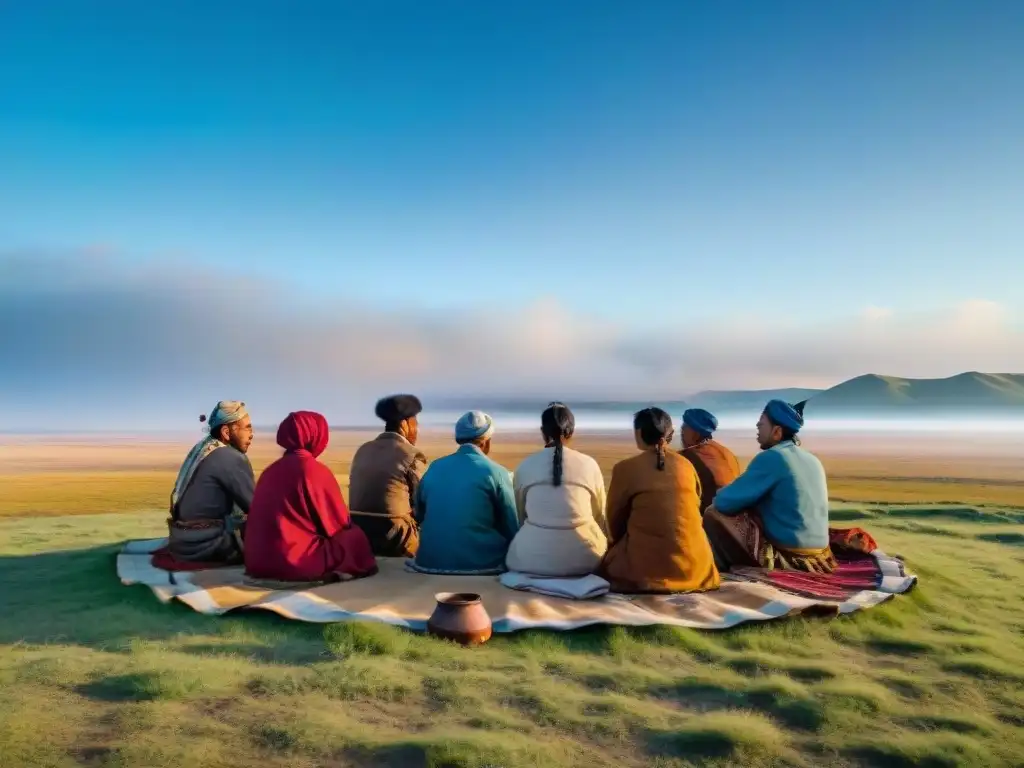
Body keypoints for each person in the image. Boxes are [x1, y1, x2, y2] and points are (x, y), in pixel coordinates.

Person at [703, 399, 835, 573]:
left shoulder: (773, 458)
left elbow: (724, 502)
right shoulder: (813, 459)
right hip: (821, 553)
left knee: (713, 513)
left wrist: (722, 493)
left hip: (790, 555)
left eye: (762, 422)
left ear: (777, 431)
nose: (757, 425)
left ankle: (723, 567)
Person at [244, 411, 378, 582]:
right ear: (315, 436)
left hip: (256, 562)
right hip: (295, 563)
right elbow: (338, 524)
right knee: (354, 538)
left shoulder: (269, 472)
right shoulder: (314, 471)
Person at [597, 408, 720, 593]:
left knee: (608, 562)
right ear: (669, 433)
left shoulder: (625, 468)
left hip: (646, 572)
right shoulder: (686, 465)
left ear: (638, 433)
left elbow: (614, 521)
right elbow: (696, 504)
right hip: (696, 570)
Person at [505, 402, 609, 577]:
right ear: (572, 431)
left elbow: (520, 517)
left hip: (529, 560)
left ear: (543, 432)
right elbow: (600, 516)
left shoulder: (526, 465)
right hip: (586, 560)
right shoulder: (589, 464)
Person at [410, 411, 519, 575]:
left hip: (429, 561)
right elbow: (512, 524)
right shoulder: (496, 472)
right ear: (486, 442)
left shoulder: (434, 468)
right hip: (483, 564)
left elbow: (419, 513)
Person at [167, 400, 255, 563]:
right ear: (226, 432)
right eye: (247, 428)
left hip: (180, 541)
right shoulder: (230, 457)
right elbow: (256, 507)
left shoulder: (202, 447)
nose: (252, 434)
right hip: (206, 546)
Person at [348, 394, 428, 557]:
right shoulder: (411, 455)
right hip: (396, 539)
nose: (416, 430)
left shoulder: (363, 450)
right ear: (404, 424)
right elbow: (424, 500)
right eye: (415, 424)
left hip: (360, 536)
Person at [678, 407, 741, 515]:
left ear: (696, 433)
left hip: (710, 519)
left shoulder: (686, 458)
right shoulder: (726, 453)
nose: (681, 433)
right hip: (734, 516)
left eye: (684, 428)